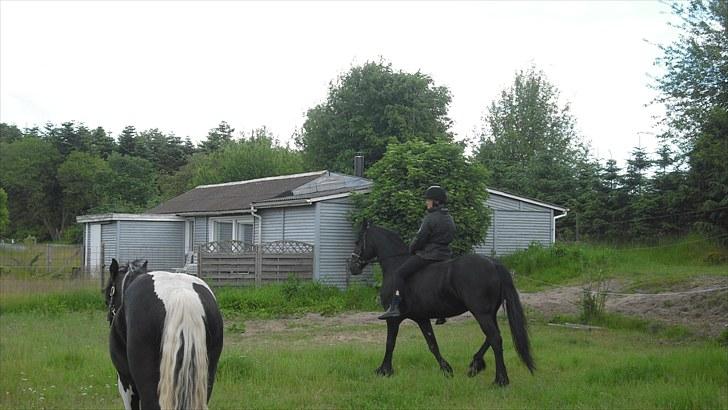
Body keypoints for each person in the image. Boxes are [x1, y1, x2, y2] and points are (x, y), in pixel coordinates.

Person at [378, 185, 456, 320]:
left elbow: (420, 238)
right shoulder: (449, 218)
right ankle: (441, 315)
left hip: (429, 255)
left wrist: (412, 249)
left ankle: (395, 306)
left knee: (399, 274)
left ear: (435, 201)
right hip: (445, 256)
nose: (426, 203)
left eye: (428, 200)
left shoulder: (430, 218)